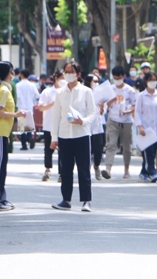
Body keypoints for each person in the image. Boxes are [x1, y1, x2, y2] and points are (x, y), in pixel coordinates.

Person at [51, 62, 97, 212]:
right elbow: (56, 116)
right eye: (66, 72)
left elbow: (93, 112)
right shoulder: (60, 93)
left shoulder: (86, 91)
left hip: (81, 134)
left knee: (84, 169)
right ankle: (66, 200)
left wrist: (82, 121)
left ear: (78, 74)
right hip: (65, 135)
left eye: (72, 71)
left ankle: (86, 201)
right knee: (66, 170)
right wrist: (54, 137)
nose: (68, 74)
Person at [0, 61, 27, 211]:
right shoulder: (3, 90)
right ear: (10, 72)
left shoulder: (4, 89)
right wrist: (15, 114)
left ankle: (0, 197)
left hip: (0, 133)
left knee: (1, 167)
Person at [103, 66, 138, 179]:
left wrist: (128, 111)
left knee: (126, 147)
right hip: (113, 120)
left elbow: (134, 106)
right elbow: (104, 105)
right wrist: (110, 101)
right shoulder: (110, 89)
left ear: (123, 77)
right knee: (110, 144)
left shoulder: (129, 90)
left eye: (119, 78)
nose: (117, 80)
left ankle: (126, 169)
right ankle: (108, 169)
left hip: (126, 121)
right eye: (115, 78)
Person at [135, 72, 157, 183]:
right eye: (150, 80)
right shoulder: (141, 96)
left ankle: (144, 171)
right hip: (146, 128)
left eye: (154, 80)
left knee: (154, 150)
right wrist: (140, 126)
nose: (153, 82)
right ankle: (152, 171)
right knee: (149, 152)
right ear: (146, 82)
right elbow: (137, 112)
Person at [35, 71, 64, 182]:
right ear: (56, 78)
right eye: (61, 78)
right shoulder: (47, 92)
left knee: (63, 150)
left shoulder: (67, 92)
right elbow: (41, 107)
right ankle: (47, 169)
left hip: (62, 125)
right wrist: (54, 103)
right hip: (49, 125)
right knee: (48, 149)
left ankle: (62, 172)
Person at [85, 74, 107, 180]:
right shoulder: (84, 92)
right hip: (86, 126)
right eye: (94, 81)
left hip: (97, 126)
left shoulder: (100, 94)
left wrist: (102, 107)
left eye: (97, 81)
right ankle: (86, 170)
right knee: (86, 150)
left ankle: (97, 166)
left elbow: (103, 112)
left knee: (98, 149)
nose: (96, 83)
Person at [15, 70, 39, 150]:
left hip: (21, 107)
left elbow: (17, 96)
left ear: (21, 75)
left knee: (22, 126)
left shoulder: (18, 85)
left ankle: (24, 145)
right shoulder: (32, 85)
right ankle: (30, 137)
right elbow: (37, 95)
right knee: (29, 125)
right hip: (29, 106)